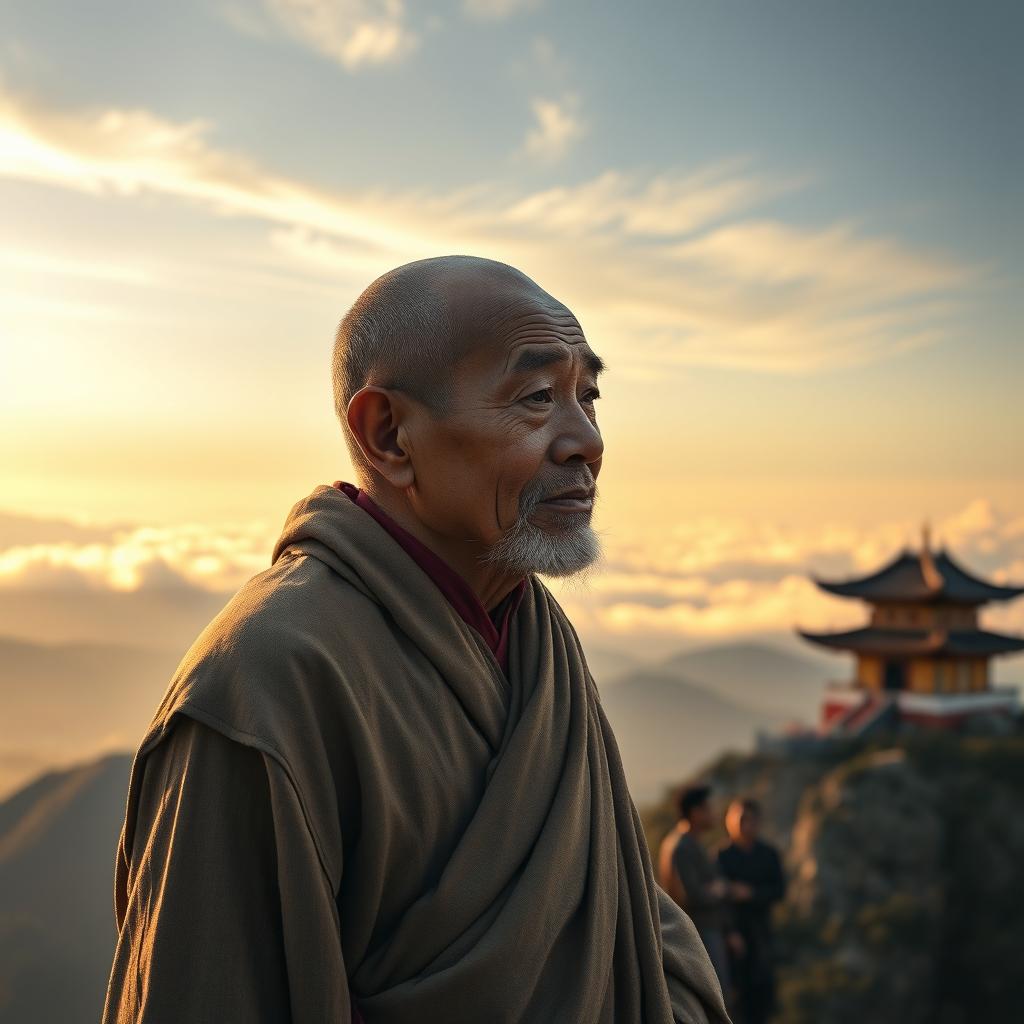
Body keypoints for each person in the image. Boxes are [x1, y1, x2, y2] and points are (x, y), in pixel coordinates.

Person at [102, 256, 731, 1023]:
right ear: (389, 434)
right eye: (537, 397)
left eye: (588, 395)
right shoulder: (268, 681)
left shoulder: (538, 642)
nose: (587, 442)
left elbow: (624, 921)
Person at [717, 800, 785, 1024]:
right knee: (736, 998)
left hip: (761, 931)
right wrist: (729, 931)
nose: (743, 825)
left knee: (762, 994)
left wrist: (752, 893)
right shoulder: (721, 856)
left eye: (749, 820)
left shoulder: (768, 854)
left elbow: (779, 890)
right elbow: (716, 900)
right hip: (732, 934)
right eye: (739, 819)